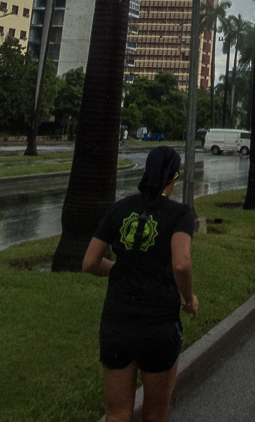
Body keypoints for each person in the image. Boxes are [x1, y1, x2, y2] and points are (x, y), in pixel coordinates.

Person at [83, 146, 199, 422]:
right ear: (172, 178)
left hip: (116, 322)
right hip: (158, 325)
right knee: (156, 412)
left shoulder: (119, 209)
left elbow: (89, 263)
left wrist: (120, 269)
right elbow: (181, 263)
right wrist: (188, 298)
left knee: (117, 412)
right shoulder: (180, 214)